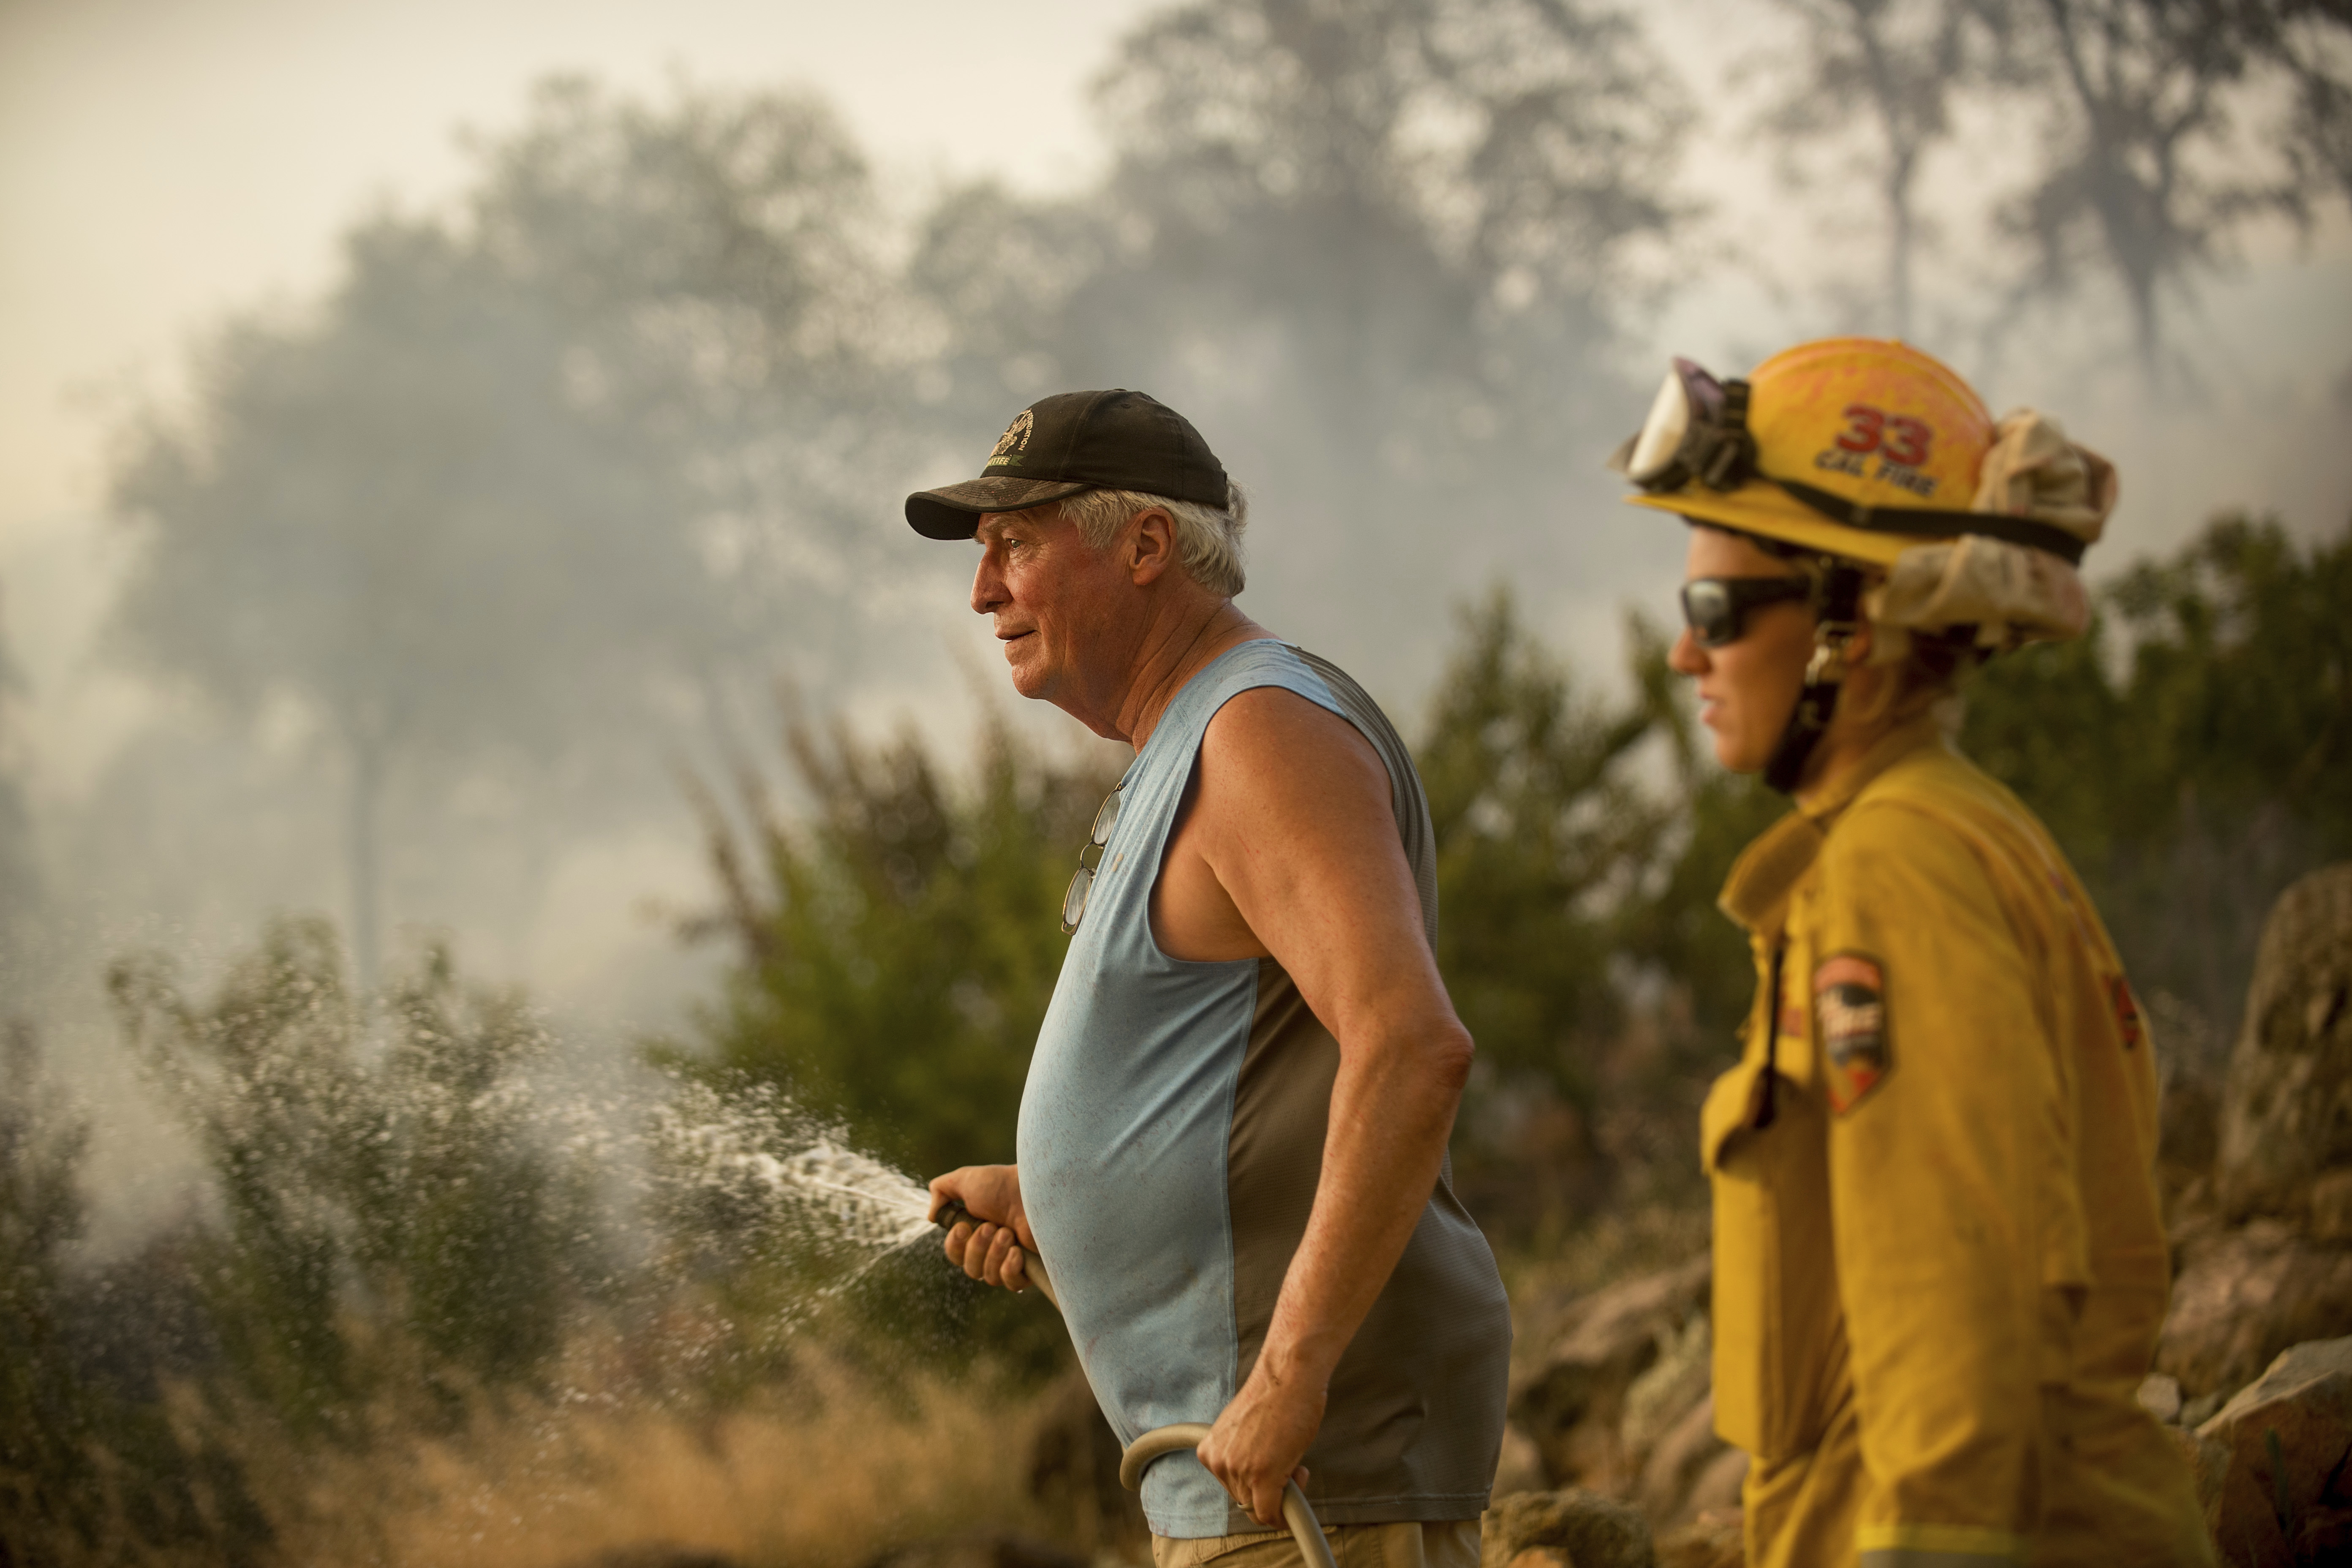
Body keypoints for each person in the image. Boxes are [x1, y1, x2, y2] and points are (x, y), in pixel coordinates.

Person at [1612, 338, 2214, 1567]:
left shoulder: (1900, 868)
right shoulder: (1945, 831)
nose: (1687, 657)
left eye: (1715, 612)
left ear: (1857, 624)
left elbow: (1962, 1299)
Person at [913, 389, 1510, 1568]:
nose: (984, 592)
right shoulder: (1190, 742)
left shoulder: (1260, 733)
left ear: (1145, 547)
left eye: (1017, 547)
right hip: (1251, 1487)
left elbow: (1409, 1045)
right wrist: (1063, 1204)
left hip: (1312, 1488)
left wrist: (1292, 1373)